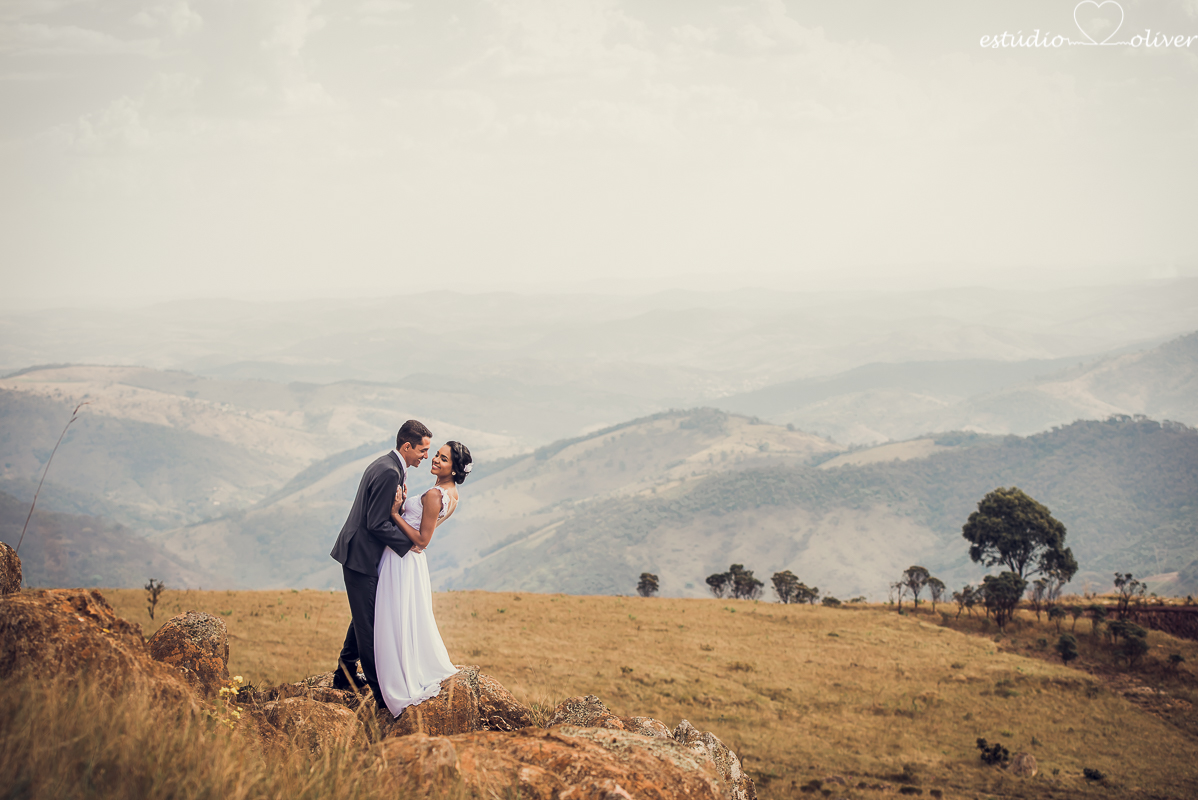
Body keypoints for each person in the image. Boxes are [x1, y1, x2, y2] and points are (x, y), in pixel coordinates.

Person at [328, 419, 432, 702]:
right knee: (368, 625)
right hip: (360, 556)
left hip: (360, 552)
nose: (426, 456)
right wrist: (410, 544)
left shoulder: (388, 465)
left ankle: (344, 674)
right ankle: (381, 692)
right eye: (423, 451)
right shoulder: (389, 472)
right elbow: (375, 523)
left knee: (362, 615)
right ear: (407, 446)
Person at [374, 440, 472, 717]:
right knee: (407, 616)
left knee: (395, 615)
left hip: (403, 559)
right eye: (436, 455)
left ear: (454, 469)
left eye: (443, 459)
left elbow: (421, 539)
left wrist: (395, 513)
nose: (435, 460)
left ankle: (400, 674)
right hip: (413, 562)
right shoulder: (452, 494)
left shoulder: (434, 494)